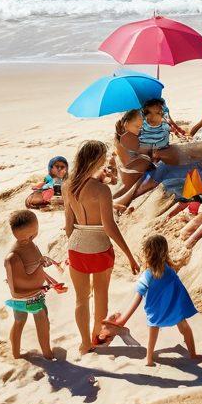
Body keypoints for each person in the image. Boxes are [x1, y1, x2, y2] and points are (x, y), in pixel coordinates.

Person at [62, 140, 140, 354]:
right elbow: (109, 226)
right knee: (101, 296)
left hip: (76, 245)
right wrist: (129, 255)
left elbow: (68, 224)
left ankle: (84, 343)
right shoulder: (101, 190)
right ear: (96, 160)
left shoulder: (67, 186)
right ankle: (97, 339)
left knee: (81, 299)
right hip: (99, 246)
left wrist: (75, 244)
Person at [106, 234, 199, 367]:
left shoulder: (148, 275)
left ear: (148, 253)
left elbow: (137, 298)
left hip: (156, 311)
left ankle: (149, 359)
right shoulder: (170, 271)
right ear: (165, 252)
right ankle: (193, 354)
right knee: (185, 329)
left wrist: (123, 319)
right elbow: (180, 290)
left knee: (153, 334)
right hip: (174, 309)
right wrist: (183, 307)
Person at [3, 210, 58, 359]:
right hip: (28, 297)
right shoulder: (14, 256)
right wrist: (39, 286)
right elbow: (18, 285)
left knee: (20, 321)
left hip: (35, 293)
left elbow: (36, 267)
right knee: (41, 322)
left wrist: (49, 280)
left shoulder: (31, 245)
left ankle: (16, 353)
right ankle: (46, 353)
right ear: (32, 233)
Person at [113, 109, 157, 207]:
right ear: (126, 124)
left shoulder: (121, 135)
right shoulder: (127, 138)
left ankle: (111, 202)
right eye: (137, 126)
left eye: (141, 127)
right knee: (127, 191)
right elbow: (146, 153)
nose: (139, 129)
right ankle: (110, 204)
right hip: (133, 173)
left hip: (127, 171)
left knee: (124, 190)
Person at [139, 98, 187, 166]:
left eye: (162, 112)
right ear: (148, 116)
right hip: (149, 156)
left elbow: (169, 123)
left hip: (160, 153)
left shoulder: (163, 124)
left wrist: (178, 130)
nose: (162, 114)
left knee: (174, 151)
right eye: (159, 113)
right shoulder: (143, 127)